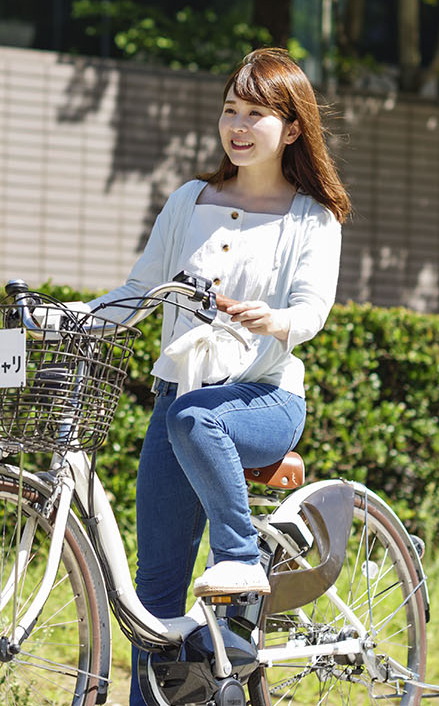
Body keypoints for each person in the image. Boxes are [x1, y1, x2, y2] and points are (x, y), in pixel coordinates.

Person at [86, 47, 351, 706]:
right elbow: (139, 289)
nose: (236, 124)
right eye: (229, 109)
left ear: (290, 128)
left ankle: (237, 562)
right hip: (178, 402)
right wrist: (74, 315)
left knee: (193, 416)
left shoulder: (310, 215)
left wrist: (277, 320)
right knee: (155, 592)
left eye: (255, 113)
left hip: (263, 399)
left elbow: (312, 310)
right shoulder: (188, 199)